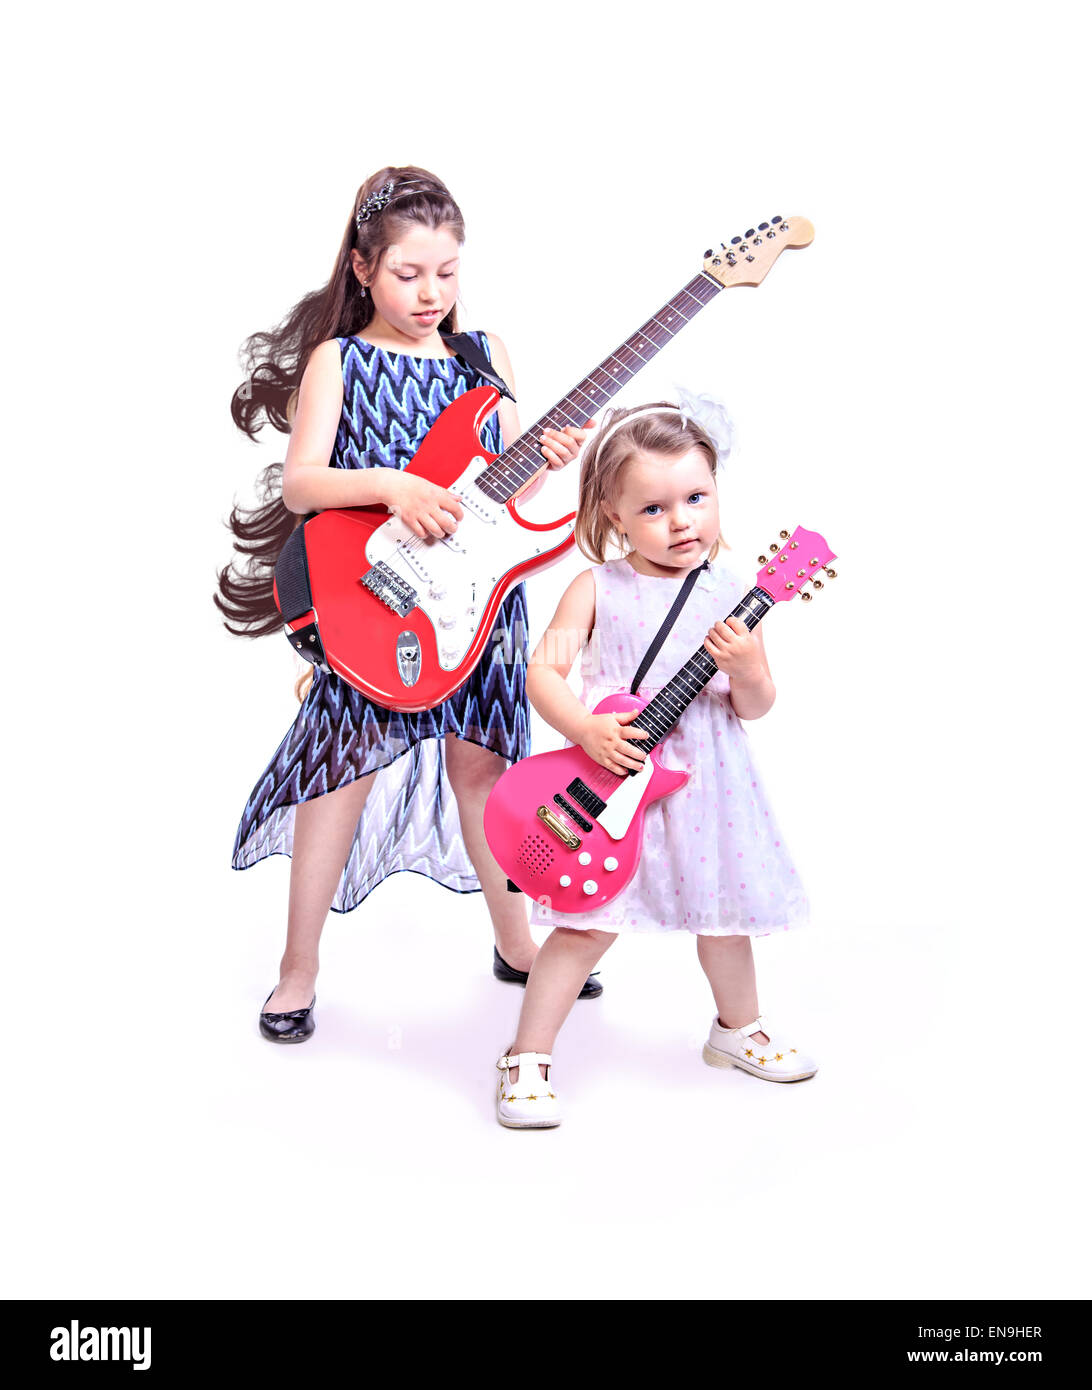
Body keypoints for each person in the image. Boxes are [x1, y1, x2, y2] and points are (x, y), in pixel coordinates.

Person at [216, 166, 601, 1044]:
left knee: (484, 770)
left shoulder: (484, 356)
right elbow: (305, 482)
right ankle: (298, 968)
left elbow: (499, 490)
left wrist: (551, 455)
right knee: (337, 778)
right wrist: (393, 487)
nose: (431, 293)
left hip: (480, 595)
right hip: (378, 597)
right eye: (408, 274)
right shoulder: (340, 359)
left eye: (448, 273)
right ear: (361, 269)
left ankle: (515, 942)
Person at [494, 401, 817, 1129]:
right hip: (612, 791)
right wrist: (586, 727)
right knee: (584, 928)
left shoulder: (736, 594)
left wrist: (747, 669)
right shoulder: (597, 588)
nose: (682, 522)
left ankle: (737, 1030)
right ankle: (526, 1056)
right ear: (611, 512)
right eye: (655, 506)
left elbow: (754, 705)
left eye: (697, 498)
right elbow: (542, 674)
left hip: (708, 789)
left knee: (725, 920)